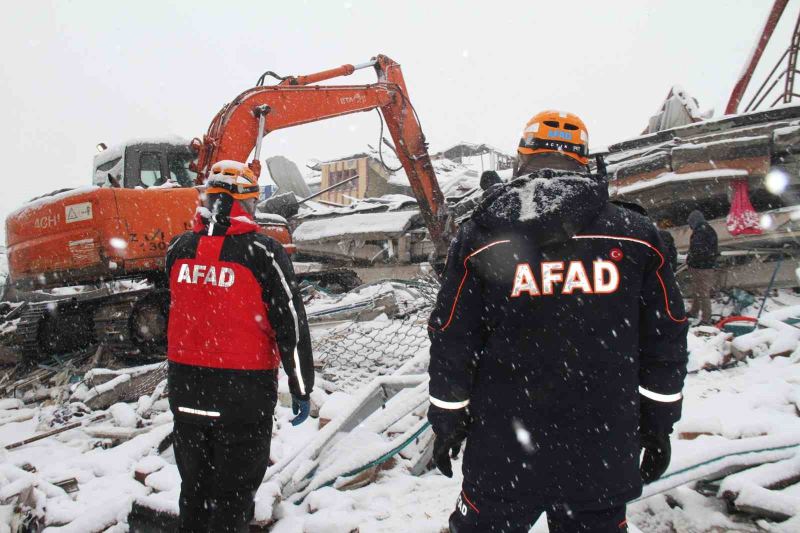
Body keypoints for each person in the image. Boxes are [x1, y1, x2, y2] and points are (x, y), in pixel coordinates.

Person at [427, 110, 689, 533]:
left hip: (503, 450)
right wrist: (660, 424)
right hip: (600, 449)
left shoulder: (480, 236)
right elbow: (667, 334)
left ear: (522, 157)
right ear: (584, 159)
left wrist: (447, 418)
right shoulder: (636, 234)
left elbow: (453, 335)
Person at [166, 160, 314, 532]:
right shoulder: (263, 252)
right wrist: (300, 387)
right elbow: (291, 326)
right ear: (245, 203)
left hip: (186, 392)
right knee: (233, 498)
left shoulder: (178, 249)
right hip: (242, 395)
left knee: (194, 493)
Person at [686, 209, 718, 324]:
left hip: (702, 267)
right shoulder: (705, 230)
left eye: (690, 223)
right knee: (697, 291)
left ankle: (706, 318)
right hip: (701, 266)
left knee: (703, 293)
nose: (690, 226)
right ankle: (694, 311)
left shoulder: (702, 231)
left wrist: (692, 259)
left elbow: (699, 250)